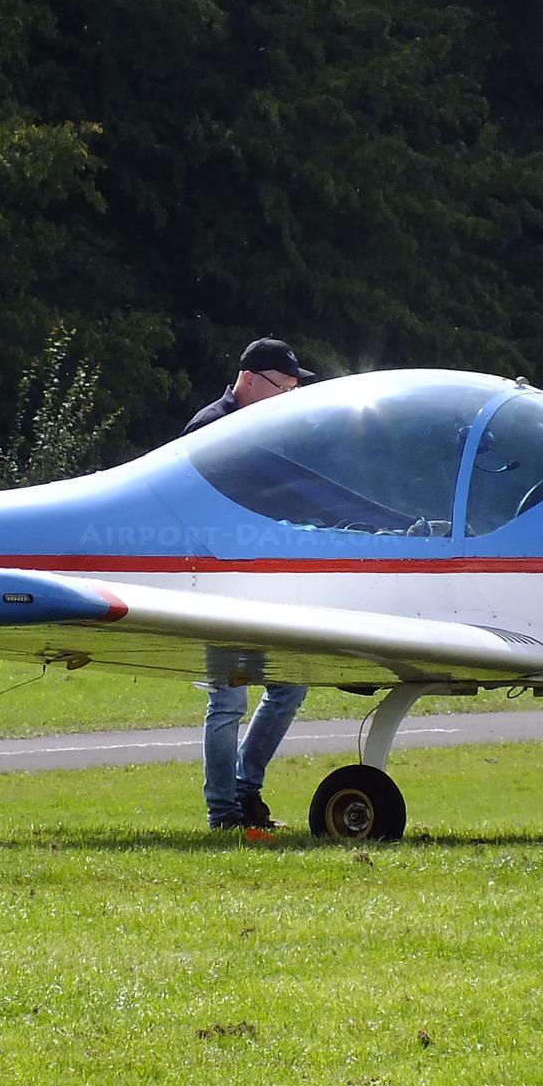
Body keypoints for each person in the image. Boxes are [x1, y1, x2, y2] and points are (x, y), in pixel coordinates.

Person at [184, 337, 316, 831]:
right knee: (228, 700)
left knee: (291, 684)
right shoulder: (210, 429)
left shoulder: (267, 431)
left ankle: (245, 791)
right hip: (217, 584)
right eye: (283, 386)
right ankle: (224, 813)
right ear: (251, 380)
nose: (288, 397)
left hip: (263, 580)